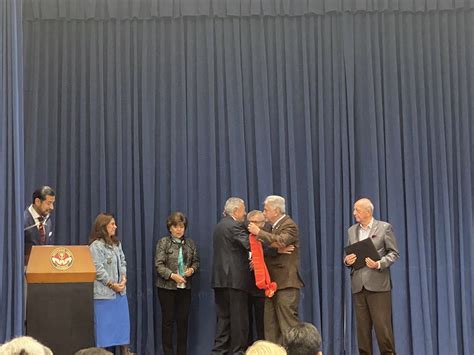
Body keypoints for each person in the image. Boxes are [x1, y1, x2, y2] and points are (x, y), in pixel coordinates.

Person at [344, 198, 399, 355]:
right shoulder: (351, 230)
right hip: (358, 286)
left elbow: (394, 253)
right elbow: (349, 254)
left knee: (383, 330)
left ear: (368, 211)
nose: (354, 213)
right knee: (362, 331)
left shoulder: (384, 228)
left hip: (378, 286)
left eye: (357, 210)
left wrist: (379, 264)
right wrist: (347, 261)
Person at [247, 195, 304, 345]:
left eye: (266, 210)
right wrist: (275, 248)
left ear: (276, 210)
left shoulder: (289, 225)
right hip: (270, 284)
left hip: (286, 283)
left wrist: (260, 233)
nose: (264, 213)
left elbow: (281, 240)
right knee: (270, 326)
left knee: (288, 326)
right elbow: (267, 246)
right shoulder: (269, 228)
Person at [211, 197, 253, 355]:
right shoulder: (235, 226)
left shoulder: (219, 226)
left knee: (224, 320)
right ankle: (237, 352)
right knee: (239, 321)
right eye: (243, 210)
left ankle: (219, 352)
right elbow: (249, 245)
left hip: (219, 280)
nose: (245, 213)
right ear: (236, 211)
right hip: (235, 281)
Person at [155, 211, 200, 355]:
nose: (179, 230)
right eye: (176, 227)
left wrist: (192, 270)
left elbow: (196, 262)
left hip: (185, 288)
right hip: (166, 288)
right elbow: (159, 265)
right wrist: (173, 276)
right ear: (170, 228)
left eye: (182, 226)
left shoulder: (190, 243)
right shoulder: (164, 242)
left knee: (183, 322)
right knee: (168, 322)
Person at [89, 213, 131, 354]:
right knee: (104, 332)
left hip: (120, 294)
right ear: (103, 227)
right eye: (112, 224)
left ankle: (125, 351)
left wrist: (123, 279)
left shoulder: (116, 244)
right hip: (104, 296)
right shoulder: (96, 246)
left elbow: (123, 262)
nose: (115, 227)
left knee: (122, 329)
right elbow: (98, 269)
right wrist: (112, 284)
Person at [24, 186, 56, 265]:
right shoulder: (22, 220)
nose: (52, 207)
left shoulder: (47, 221)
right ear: (37, 201)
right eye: (49, 203)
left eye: (52, 203)